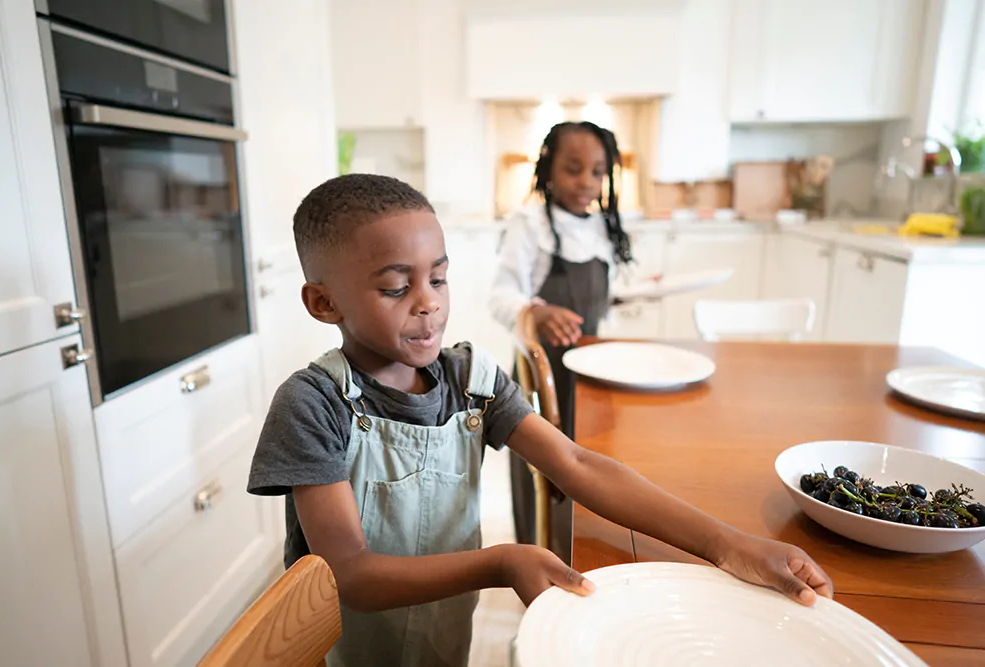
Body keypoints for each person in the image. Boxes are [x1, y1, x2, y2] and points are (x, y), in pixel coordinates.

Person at [247, 174, 833, 667]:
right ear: (324, 303)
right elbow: (350, 573)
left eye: (439, 278)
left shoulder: (472, 381)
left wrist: (728, 544)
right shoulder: (312, 404)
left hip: (442, 643)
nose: (429, 302)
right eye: (397, 287)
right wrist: (502, 560)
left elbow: (576, 464)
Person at [488, 121, 630, 553]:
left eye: (597, 172)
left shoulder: (603, 226)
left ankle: (580, 555)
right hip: (542, 377)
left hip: (589, 375)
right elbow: (500, 295)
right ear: (548, 168)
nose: (586, 182)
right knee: (545, 474)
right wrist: (536, 311)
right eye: (573, 169)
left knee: (589, 470)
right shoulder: (529, 224)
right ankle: (539, 557)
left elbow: (599, 297)